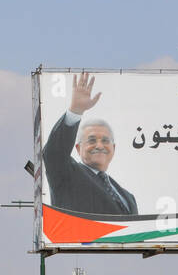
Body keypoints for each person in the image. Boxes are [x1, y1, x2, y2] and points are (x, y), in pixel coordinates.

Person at [43, 71, 138, 216]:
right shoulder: (68, 174)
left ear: (114, 148)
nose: (99, 145)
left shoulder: (128, 198)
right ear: (78, 148)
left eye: (105, 141)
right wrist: (75, 111)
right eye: (92, 140)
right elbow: (53, 154)